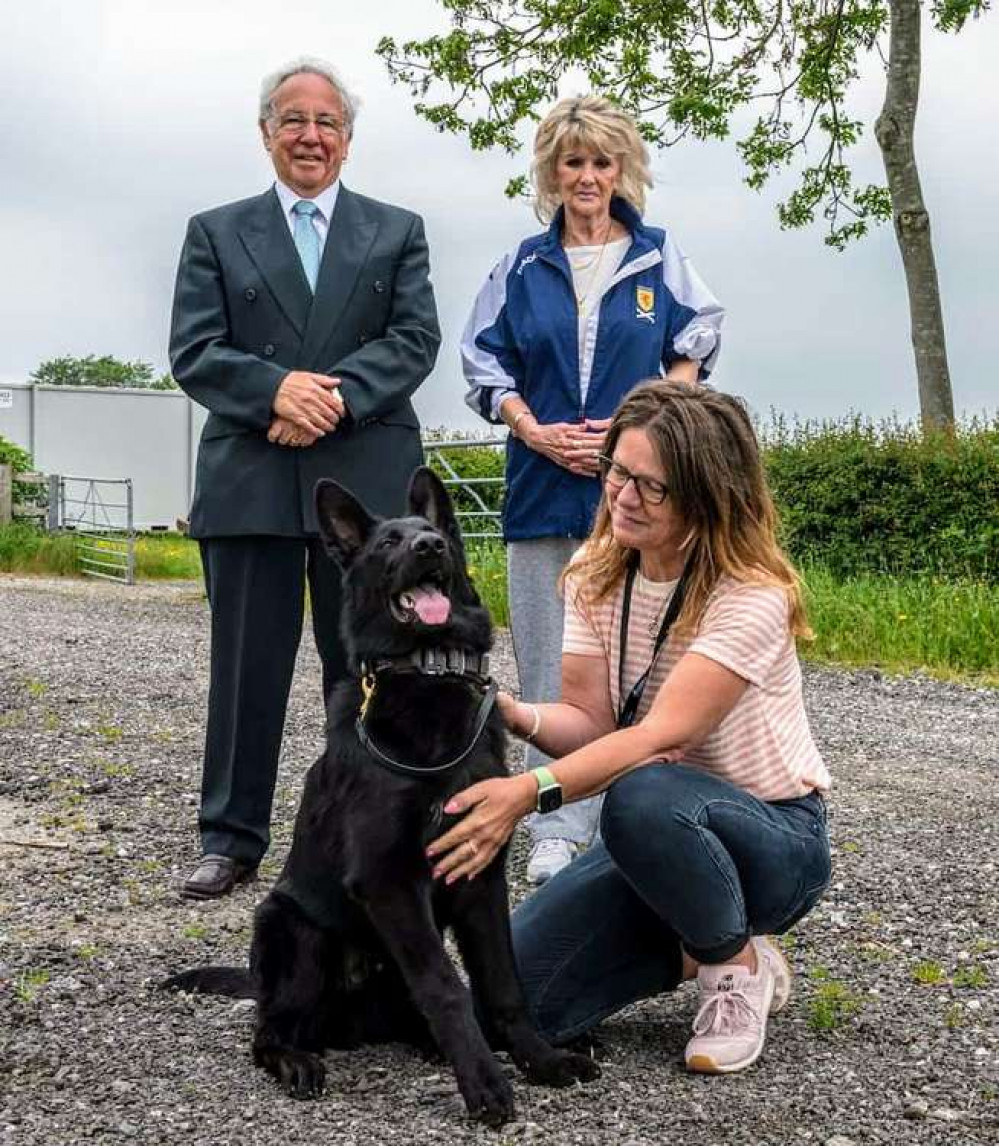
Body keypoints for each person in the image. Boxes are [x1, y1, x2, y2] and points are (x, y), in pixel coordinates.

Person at [426, 380, 832, 1075]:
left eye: (652, 487)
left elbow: (654, 739)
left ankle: (732, 966)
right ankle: (697, 938)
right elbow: (589, 724)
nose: (622, 497)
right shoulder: (596, 571)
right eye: (617, 471)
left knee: (644, 793)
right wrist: (508, 710)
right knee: (510, 1008)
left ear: (708, 496)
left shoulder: (752, 595)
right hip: (654, 844)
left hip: (771, 841)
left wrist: (523, 795)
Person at [169, 57, 440, 899]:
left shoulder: (396, 231)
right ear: (266, 132)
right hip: (252, 477)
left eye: (326, 122)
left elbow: (413, 339)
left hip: (362, 484)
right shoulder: (215, 230)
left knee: (363, 668)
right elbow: (194, 350)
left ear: (348, 139)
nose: (310, 135)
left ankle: (367, 828)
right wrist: (273, 390)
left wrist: (328, 398)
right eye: (293, 119)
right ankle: (230, 835)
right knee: (246, 669)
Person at [460, 95, 724, 885]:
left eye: (601, 162)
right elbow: (483, 363)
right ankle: (553, 825)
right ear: (550, 172)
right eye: (571, 162)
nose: (586, 176)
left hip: (636, 497)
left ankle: (632, 822)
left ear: (623, 170)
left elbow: (697, 338)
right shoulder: (518, 265)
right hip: (542, 488)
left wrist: (650, 419)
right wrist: (531, 428)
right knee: (549, 666)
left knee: (641, 662)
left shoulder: (659, 257)